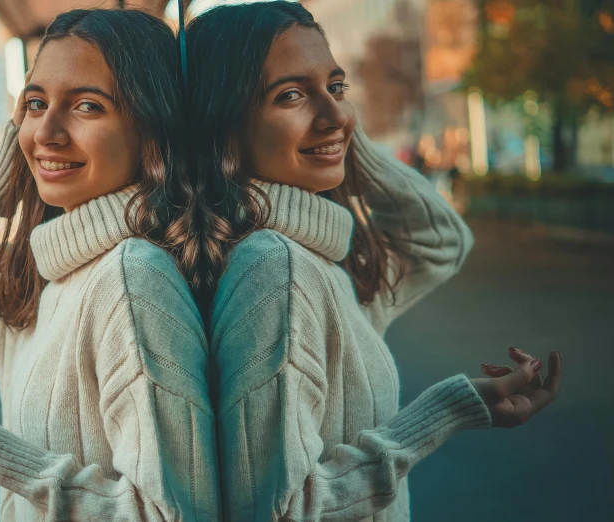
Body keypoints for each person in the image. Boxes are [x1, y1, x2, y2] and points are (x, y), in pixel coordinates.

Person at [186, 2, 562, 521]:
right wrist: (446, 411)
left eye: (337, 87)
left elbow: (441, 239)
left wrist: (330, 132)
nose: (337, 112)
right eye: (288, 95)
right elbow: (280, 510)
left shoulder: (312, 257)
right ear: (219, 121)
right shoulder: (276, 271)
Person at [0, 9, 218, 521]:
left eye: (87, 106)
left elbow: (168, 513)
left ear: (152, 126)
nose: (48, 130)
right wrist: (18, 154)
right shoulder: (43, 271)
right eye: (35, 103)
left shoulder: (132, 282)